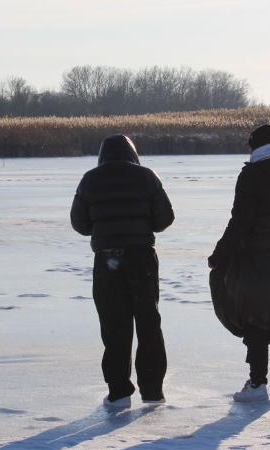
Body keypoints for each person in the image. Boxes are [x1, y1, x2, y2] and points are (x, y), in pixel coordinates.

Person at [70, 135, 174, 409]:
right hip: (142, 258)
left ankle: (119, 393)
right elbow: (165, 218)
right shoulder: (147, 177)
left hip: (107, 260)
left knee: (114, 325)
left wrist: (104, 226)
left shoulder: (90, 180)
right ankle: (152, 391)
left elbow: (79, 223)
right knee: (148, 322)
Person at [208, 124, 270, 402]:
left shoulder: (251, 175)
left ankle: (256, 383)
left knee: (256, 317)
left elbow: (240, 221)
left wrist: (220, 255)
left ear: (255, 146)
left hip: (259, 249)